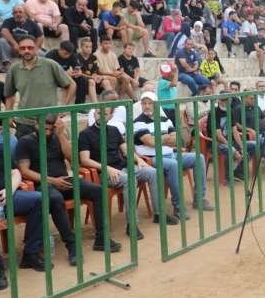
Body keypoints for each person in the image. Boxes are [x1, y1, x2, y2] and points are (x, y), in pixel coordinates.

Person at [16, 114, 122, 265]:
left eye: (50, 129)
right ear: (35, 124)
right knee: (55, 199)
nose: (47, 132)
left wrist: (60, 135)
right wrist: (52, 180)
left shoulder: (56, 137)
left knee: (98, 190)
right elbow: (24, 171)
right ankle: (72, 246)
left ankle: (102, 238)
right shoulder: (25, 142)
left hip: (64, 180)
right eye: (44, 128)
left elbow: (72, 159)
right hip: (43, 184)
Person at [79, 103, 177, 233]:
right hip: (103, 173)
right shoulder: (85, 134)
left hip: (122, 167)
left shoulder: (114, 130)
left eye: (105, 114)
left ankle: (159, 214)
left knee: (153, 172)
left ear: (111, 116)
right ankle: (132, 225)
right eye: (98, 113)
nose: (100, 116)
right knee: (129, 180)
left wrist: (139, 159)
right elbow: (84, 160)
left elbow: (126, 151)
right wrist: (106, 168)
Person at [0, 120, 44, 289]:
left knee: (39, 199)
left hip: (4, 198)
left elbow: (15, 171)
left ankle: (30, 253)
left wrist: (11, 188)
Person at [133, 91, 214, 219]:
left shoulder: (165, 120)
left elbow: (176, 140)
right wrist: (165, 138)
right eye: (144, 103)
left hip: (171, 154)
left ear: (156, 105)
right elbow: (150, 142)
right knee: (173, 165)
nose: (147, 106)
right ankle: (178, 207)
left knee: (199, 158)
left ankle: (199, 199)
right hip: (151, 159)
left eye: (150, 103)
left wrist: (158, 138)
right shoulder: (138, 122)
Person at [4, 36, 76, 138]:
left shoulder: (50, 64)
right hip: (24, 122)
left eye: (30, 48)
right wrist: (9, 115)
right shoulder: (14, 69)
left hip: (48, 122)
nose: (26, 51)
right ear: (18, 50)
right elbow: (9, 94)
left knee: (50, 153)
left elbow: (71, 85)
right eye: (23, 48)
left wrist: (63, 108)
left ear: (36, 49)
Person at [45, 40, 94, 104]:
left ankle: (79, 106)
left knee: (82, 79)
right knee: (72, 84)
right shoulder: (50, 55)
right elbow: (46, 71)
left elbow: (77, 68)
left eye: (69, 54)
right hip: (53, 77)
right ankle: (64, 107)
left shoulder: (72, 55)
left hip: (65, 77)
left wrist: (78, 72)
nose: (67, 56)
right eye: (65, 53)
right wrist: (64, 73)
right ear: (60, 49)